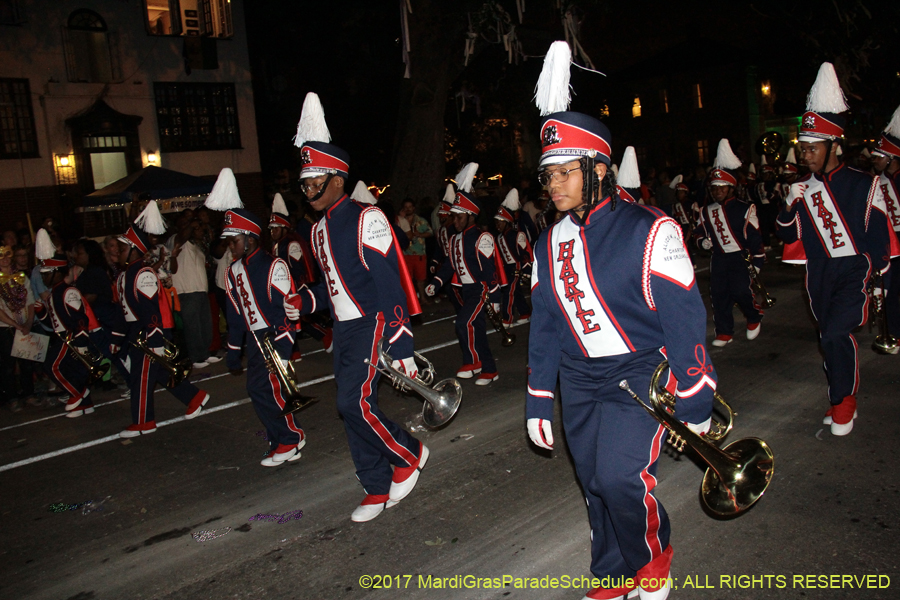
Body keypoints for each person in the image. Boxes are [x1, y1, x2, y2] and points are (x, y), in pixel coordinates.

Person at [525, 42, 716, 600]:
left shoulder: (650, 228)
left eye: (566, 172)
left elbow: (685, 319)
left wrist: (697, 398)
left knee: (619, 477)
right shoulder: (546, 242)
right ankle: (612, 572)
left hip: (640, 374)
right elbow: (545, 326)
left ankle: (651, 563)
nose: (555, 184)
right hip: (578, 379)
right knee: (592, 482)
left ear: (600, 171)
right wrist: (540, 396)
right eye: (548, 175)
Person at [284, 93, 429, 522]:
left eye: (315, 183)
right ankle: (374, 485)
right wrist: (303, 300)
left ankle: (409, 452)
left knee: (353, 403)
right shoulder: (315, 231)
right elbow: (331, 286)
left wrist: (401, 344)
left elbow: (390, 286)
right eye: (304, 183)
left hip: (373, 321)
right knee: (349, 408)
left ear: (337, 180)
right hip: (345, 329)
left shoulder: (369, 217)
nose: (308, 191)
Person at [776, 63, 891, 436]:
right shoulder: (801, 186)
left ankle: (845, 401)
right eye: (802, 147)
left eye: (812, 148)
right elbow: (785, 233)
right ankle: (837, 393)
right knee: (827, 338)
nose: (804, 155)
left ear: (834, 146)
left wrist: (878, 277)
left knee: (834, 336)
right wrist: (788, 205)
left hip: (854, 270)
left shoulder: (864, 184)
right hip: (820, 273)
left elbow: (878, 235)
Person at [202, 170, 308, 467]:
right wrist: (234, 350)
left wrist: (285, 344)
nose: (229, 246)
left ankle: (289, 438)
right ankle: (285, 438)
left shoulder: (274, 266)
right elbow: (236, 314)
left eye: (233, 240)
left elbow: (288, 308)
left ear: (249, 238)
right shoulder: (233, 271)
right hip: (255, 338)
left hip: (275, 335)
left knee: (265, 389)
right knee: (259, 390)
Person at [115, 212, 210, 438]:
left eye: (121, 249)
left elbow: (151, 311)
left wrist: (155, 339)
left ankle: (144, 421)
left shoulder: (142, 273)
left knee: (141, 377)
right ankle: (193, 397)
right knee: (155, 372)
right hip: (138, 330)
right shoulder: (129, 273)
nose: (116, 254)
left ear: (133, 249)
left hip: (148, 331)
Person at [426, 162, 502, 385]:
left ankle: (473, 361)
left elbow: (490, 271)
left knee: (462, 323)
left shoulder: (482, 237)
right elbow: (450, 264)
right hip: (464, 290)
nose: (455, 221)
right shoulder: (455, 238)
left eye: (459, 217)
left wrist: (495, 298)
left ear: (471, 216)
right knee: (475, 329)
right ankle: (489, 369)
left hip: (480, 289)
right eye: (454, 217)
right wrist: (436, 282)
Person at [694, 139, 765, 347]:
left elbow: (754, 237)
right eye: (714, 189)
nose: (717, 192)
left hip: (739, 257)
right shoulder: (705, 211)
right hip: (719, 259)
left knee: (741, 291)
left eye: (722, 188)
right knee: (718, 294)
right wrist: (702, 242)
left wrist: (758, 262)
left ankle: (754, 315)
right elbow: (699, 232)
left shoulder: (744, 208)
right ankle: (724, 331)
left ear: (731, 188)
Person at [33, 230, 99, 417]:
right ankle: (84, 402)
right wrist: (41, 312)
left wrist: (81, 342)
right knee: (71, 370)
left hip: (71, 338)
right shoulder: (54, 293)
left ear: (56, 273)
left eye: (46, 274)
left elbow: (79, 318)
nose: (43, 278)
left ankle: (78, 394)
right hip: (63, 336)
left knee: (52, 366)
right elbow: (54, 321)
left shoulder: (68, 292)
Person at [268, 192, 332, 355]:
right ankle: (292, 352)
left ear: (284, 228)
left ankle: (326, 336)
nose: (272, 232)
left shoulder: (291, 243)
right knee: (288, 319)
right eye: (271, 229)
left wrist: (299, 290)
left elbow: (298, 268)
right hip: (284, 288)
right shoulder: (277, 244)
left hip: (296, 286)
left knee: (302, 318)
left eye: (276, 228)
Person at [167, 211, 219, 368]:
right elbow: (183, 235)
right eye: (186, 223)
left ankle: (205, 353)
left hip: (200, 289)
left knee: (204, 324)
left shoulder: (196, 245)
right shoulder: (175, 240)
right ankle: (196, 358)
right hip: (186, 291)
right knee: (193, 326)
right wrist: (192, 224)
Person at [870, 104, 900, 339]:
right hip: (892, 243)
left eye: (879, 156)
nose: (874, 159)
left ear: (892, 158)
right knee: (891, 290)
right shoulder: (877, 180)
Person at [0, 244, 37, 411]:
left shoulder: (21, 277)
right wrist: (15, 325)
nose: (5, 259)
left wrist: (28, 323)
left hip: (24, 325)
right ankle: (12, 398)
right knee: (8, 366)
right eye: (1, 256)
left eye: (7, 254)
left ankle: (29, 394)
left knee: (27, 363)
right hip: (6, 328)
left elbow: (30, 301)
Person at [493, 189, 532, 325]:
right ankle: (525, 312)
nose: (498, 225)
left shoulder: (517, 235)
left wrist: (526, 270)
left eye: (501, 222)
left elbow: (524, 254)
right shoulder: (498, 237)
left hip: (516, 267)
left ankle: (507, 318)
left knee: (509, 292)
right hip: (506, 268)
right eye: (496, 222)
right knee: (515, 292)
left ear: (508, 222)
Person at [397, 198, 434, 306]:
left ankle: (422, 298)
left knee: (421, 279)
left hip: (419, 253)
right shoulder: (399, 221)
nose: (408, 209)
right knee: (407, 280)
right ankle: (409, 301)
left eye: (410, 207)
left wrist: (420, 235)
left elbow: (430, 232)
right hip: (405, 254)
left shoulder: (421, 220)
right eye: (405, 207)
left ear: (414, 208)